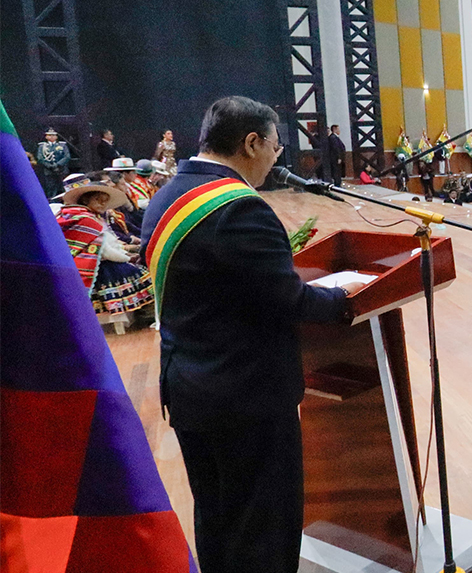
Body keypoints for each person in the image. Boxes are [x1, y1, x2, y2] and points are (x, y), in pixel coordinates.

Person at [141, 96, 358, 573]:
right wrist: (348, 298)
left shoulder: (168, 195)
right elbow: (289, 300)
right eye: (276, 146)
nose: (277, 157)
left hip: (191, 389)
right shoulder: (238, 209)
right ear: (252, 141)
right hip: (246, 397)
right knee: (264, 528)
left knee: (219, 520)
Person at [55, 178, 155, 317]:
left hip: (94, 263)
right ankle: (145, 313)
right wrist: (127, 257)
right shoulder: (85, 220)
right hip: (96, 267)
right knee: (143, 273)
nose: (102, 203)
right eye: (98, 199)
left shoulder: (76, 215)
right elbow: (106, 251)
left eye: (105, 200)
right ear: (85, 200)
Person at [36, 127, 70, 198]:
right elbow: (40, 158)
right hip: (49, 171)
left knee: (65, 187)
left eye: (53, 135)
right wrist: (50, 166)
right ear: (46, 136)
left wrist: (58, 164)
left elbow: (67, 156)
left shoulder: (62, 145)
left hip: (61, 170)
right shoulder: (42, 146)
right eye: (49, 135)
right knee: (51, 189)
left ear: (56, 136)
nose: (51, 137)